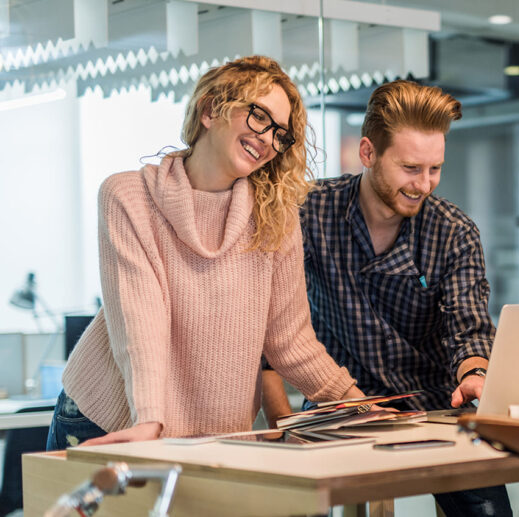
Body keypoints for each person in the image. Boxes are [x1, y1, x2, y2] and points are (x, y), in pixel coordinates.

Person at [47, 56, 365, 450]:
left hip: (215, 436)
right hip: (113, 418)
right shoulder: (128, 197)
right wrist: (149, 419)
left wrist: (360, 406)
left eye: (280, 133)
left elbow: (291, 342)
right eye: (259, 117)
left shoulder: (274, 220)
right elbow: (140, 322)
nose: (268, 139)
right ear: (211, 109)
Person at [261, 79, 512, 517]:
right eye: (411, 168)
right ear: (368, 153)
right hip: (335, 408)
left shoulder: (454, 231)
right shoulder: (308, 212)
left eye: (436, 169)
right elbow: (269, 327)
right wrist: (282, 425)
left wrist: (475, 373)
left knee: (486, 511)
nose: (425, 184)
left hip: (433, 407)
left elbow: (468, 326)